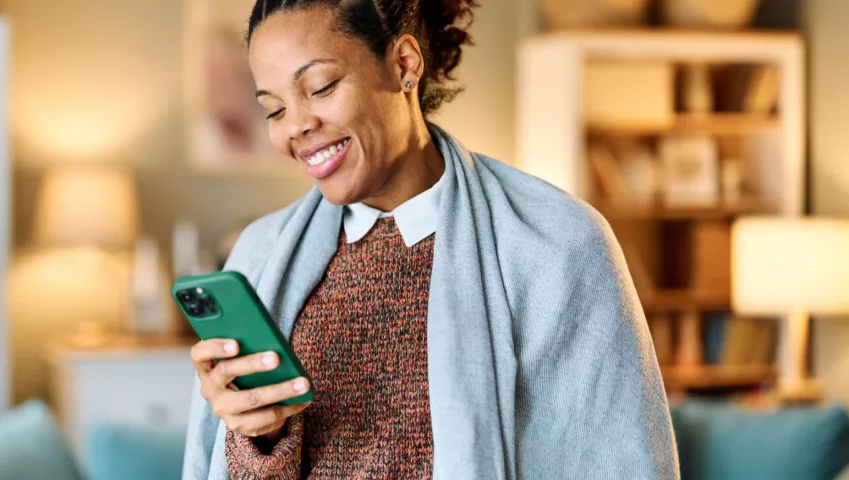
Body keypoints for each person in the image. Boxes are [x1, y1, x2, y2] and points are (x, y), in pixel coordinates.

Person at [183, 0, 680, 478]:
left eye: (321, 86)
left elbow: (613, 460)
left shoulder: (555, 245)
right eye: (273, 109)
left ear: (403, 64)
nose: (296, 127)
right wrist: (257, 437)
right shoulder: (261, 255)